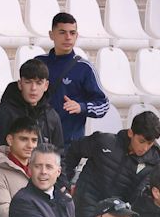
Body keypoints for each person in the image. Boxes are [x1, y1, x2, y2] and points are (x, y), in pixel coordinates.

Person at [66, 110, 160, 217]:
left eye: (150, 143)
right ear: (130, 133)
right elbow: (72, 152)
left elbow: (140, 199)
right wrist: (65, 183)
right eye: (141, 141)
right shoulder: (104, 141)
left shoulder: (154, 164)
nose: (145, 148)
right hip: (84, 208)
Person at [37, 14, 108, 146]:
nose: (68, 37)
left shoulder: (84, 68)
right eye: (62, 32)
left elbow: (103, 105)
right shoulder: (39, 62)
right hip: (37, 142)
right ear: (51, 35)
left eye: (72, 33)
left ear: (77, 35)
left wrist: (81, 107)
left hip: (70, 146)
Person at [0, 58, 64, 163]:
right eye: (28, 82)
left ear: (46, 86)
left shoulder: (51, 116)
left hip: (43, 172)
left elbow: (59, 156)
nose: (33, 88)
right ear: (20, 84)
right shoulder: (0, 114)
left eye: (39, 83)